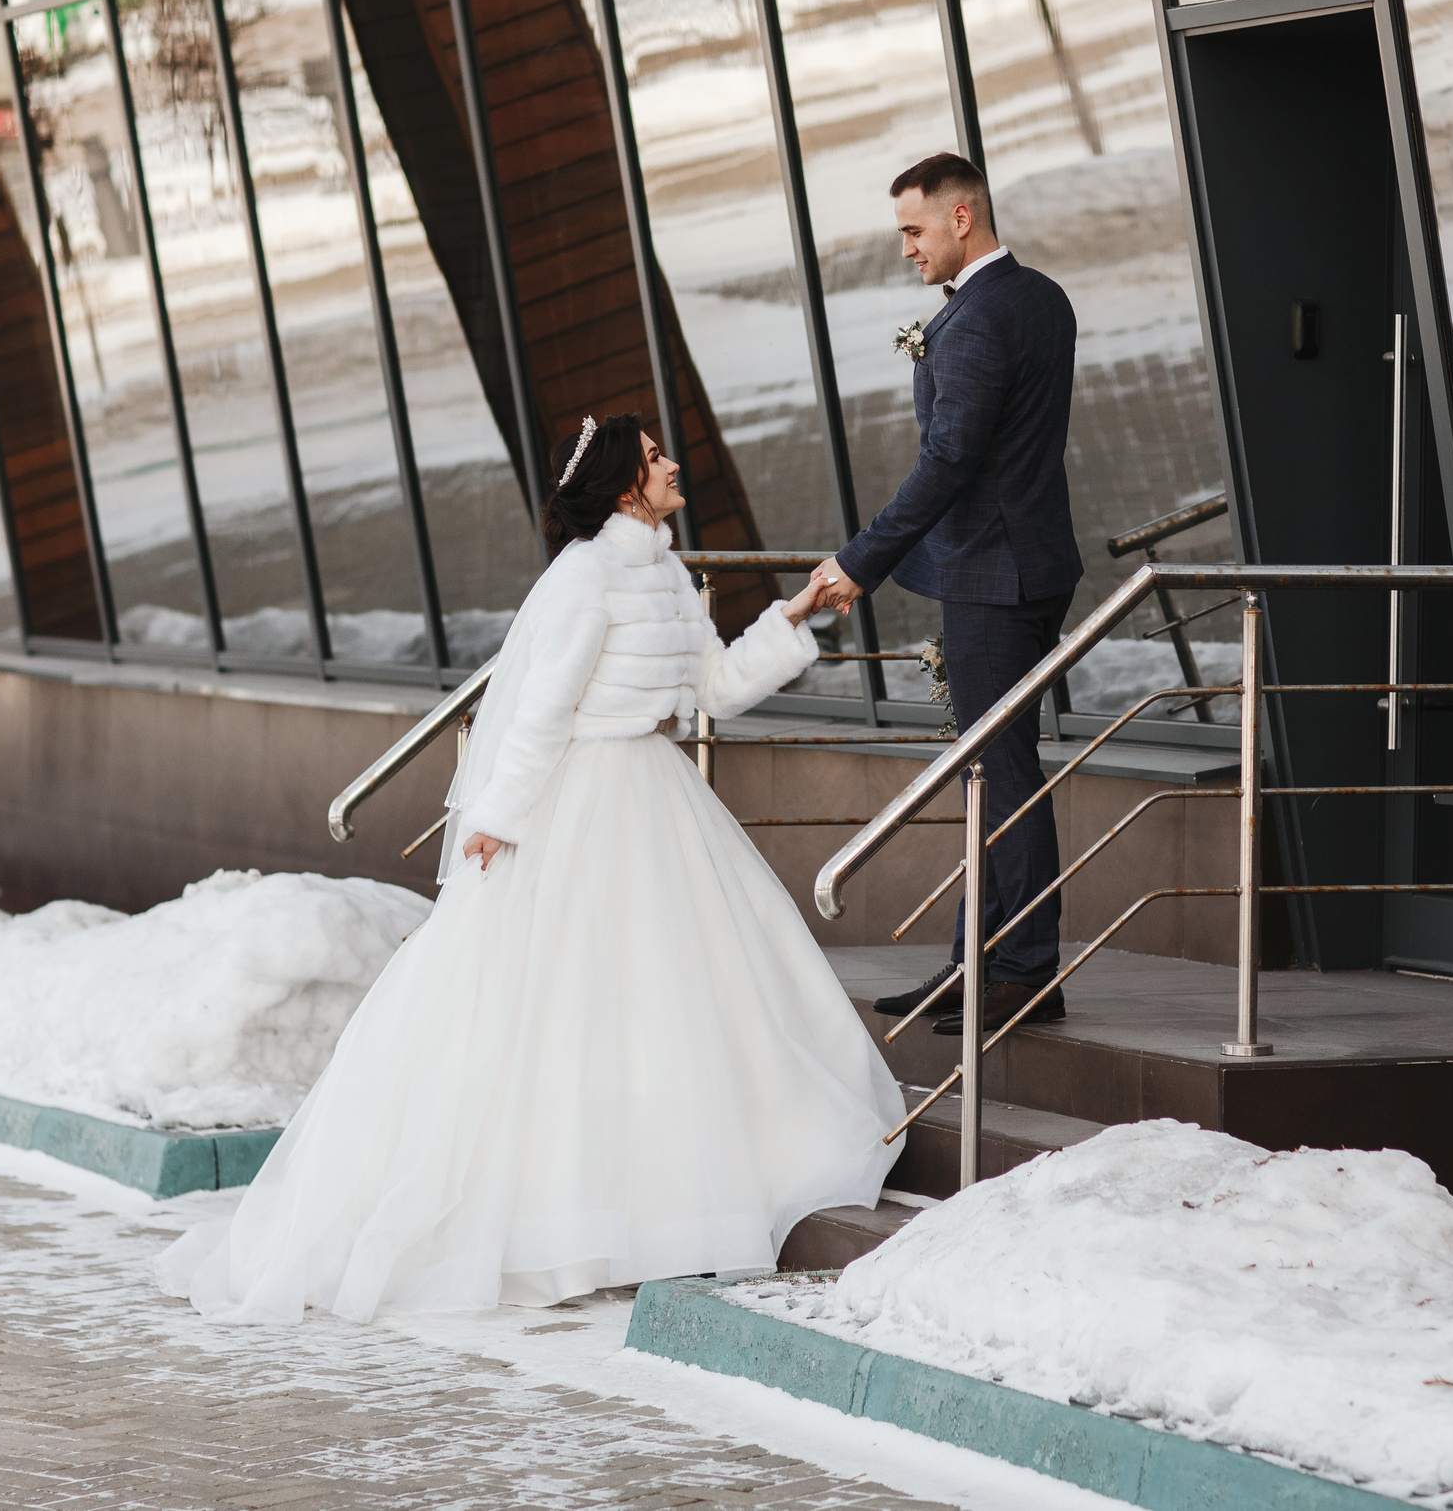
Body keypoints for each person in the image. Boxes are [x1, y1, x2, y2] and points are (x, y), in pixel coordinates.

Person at [157, 415, 901, 1318]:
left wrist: (793, 618)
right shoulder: (585, 578)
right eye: (655, 457)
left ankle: (656, 1204)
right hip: (582, 802)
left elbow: (713, 688)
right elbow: (541, 707)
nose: (672, 466)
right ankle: (567, 1219)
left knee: (661, 1005)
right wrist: (499, 817)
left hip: (655, 797)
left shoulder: (665, 567)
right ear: (626, 484)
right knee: (569, 1010)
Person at [807, 153, 1082, 1034]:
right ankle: (977, 963)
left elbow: (951, 460)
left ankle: (1027, 968)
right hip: (1031, 562)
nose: (905, 250)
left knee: (1001, 774)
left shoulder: (971, 323)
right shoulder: (1041, 297)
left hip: (992, 576)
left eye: (913, 231)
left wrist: (861, 559)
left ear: (961, 218)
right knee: (990, 775)